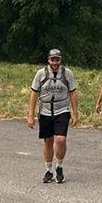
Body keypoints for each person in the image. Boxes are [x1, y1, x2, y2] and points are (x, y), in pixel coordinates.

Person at [28, 48, 78, 184]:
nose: (55, 63)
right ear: (48, 60)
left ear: (61, 60)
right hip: (45, 111)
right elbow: (34, 93)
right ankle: (49, 170)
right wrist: (31, 115)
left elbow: (73, 93)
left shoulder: (67, 74)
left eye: (57, 60)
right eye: (52, 60)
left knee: (61, 140)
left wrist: (75, 113)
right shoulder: (41, 74)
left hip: (62, 110)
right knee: (48, 141)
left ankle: (59, 167)